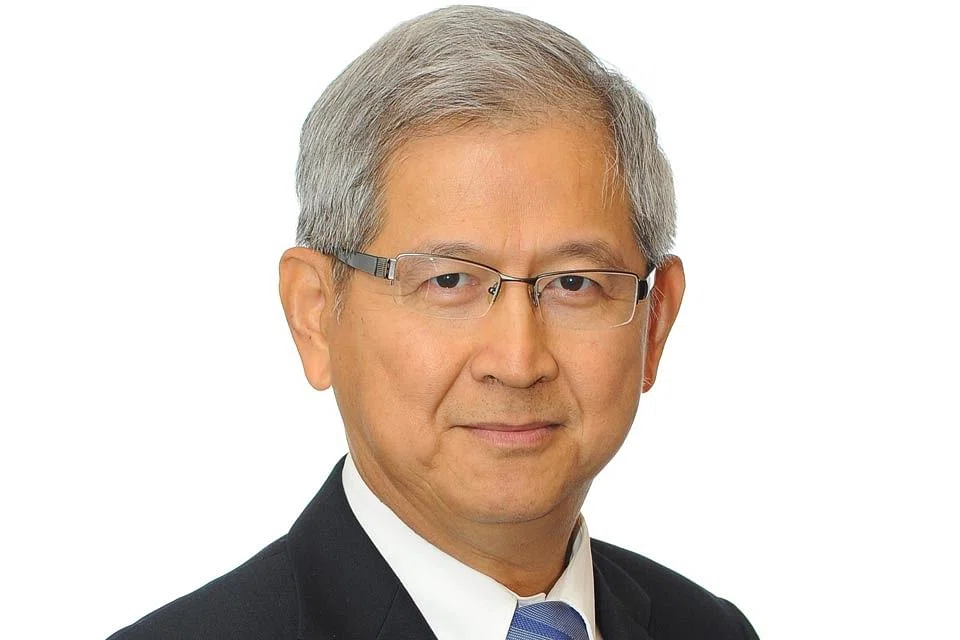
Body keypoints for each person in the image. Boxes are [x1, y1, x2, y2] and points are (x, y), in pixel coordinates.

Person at [109, 6, 757, 639]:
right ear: (315, 313)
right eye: (449, 281)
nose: (517, 361)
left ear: (655, 321)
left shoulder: (711, 630)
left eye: (574, 283)